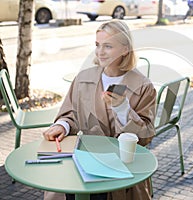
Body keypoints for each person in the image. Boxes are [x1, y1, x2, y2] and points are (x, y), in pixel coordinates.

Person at [43, 20, 157, 200]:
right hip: (83, 161)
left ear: (125, 49)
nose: (99, 52)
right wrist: (63, 125)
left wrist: (122, 108)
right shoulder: (83, 78)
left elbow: (144, 137)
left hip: (122, 170)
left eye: (108, 46)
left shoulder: (143, 86)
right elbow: (71, 113)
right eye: (97, 45)